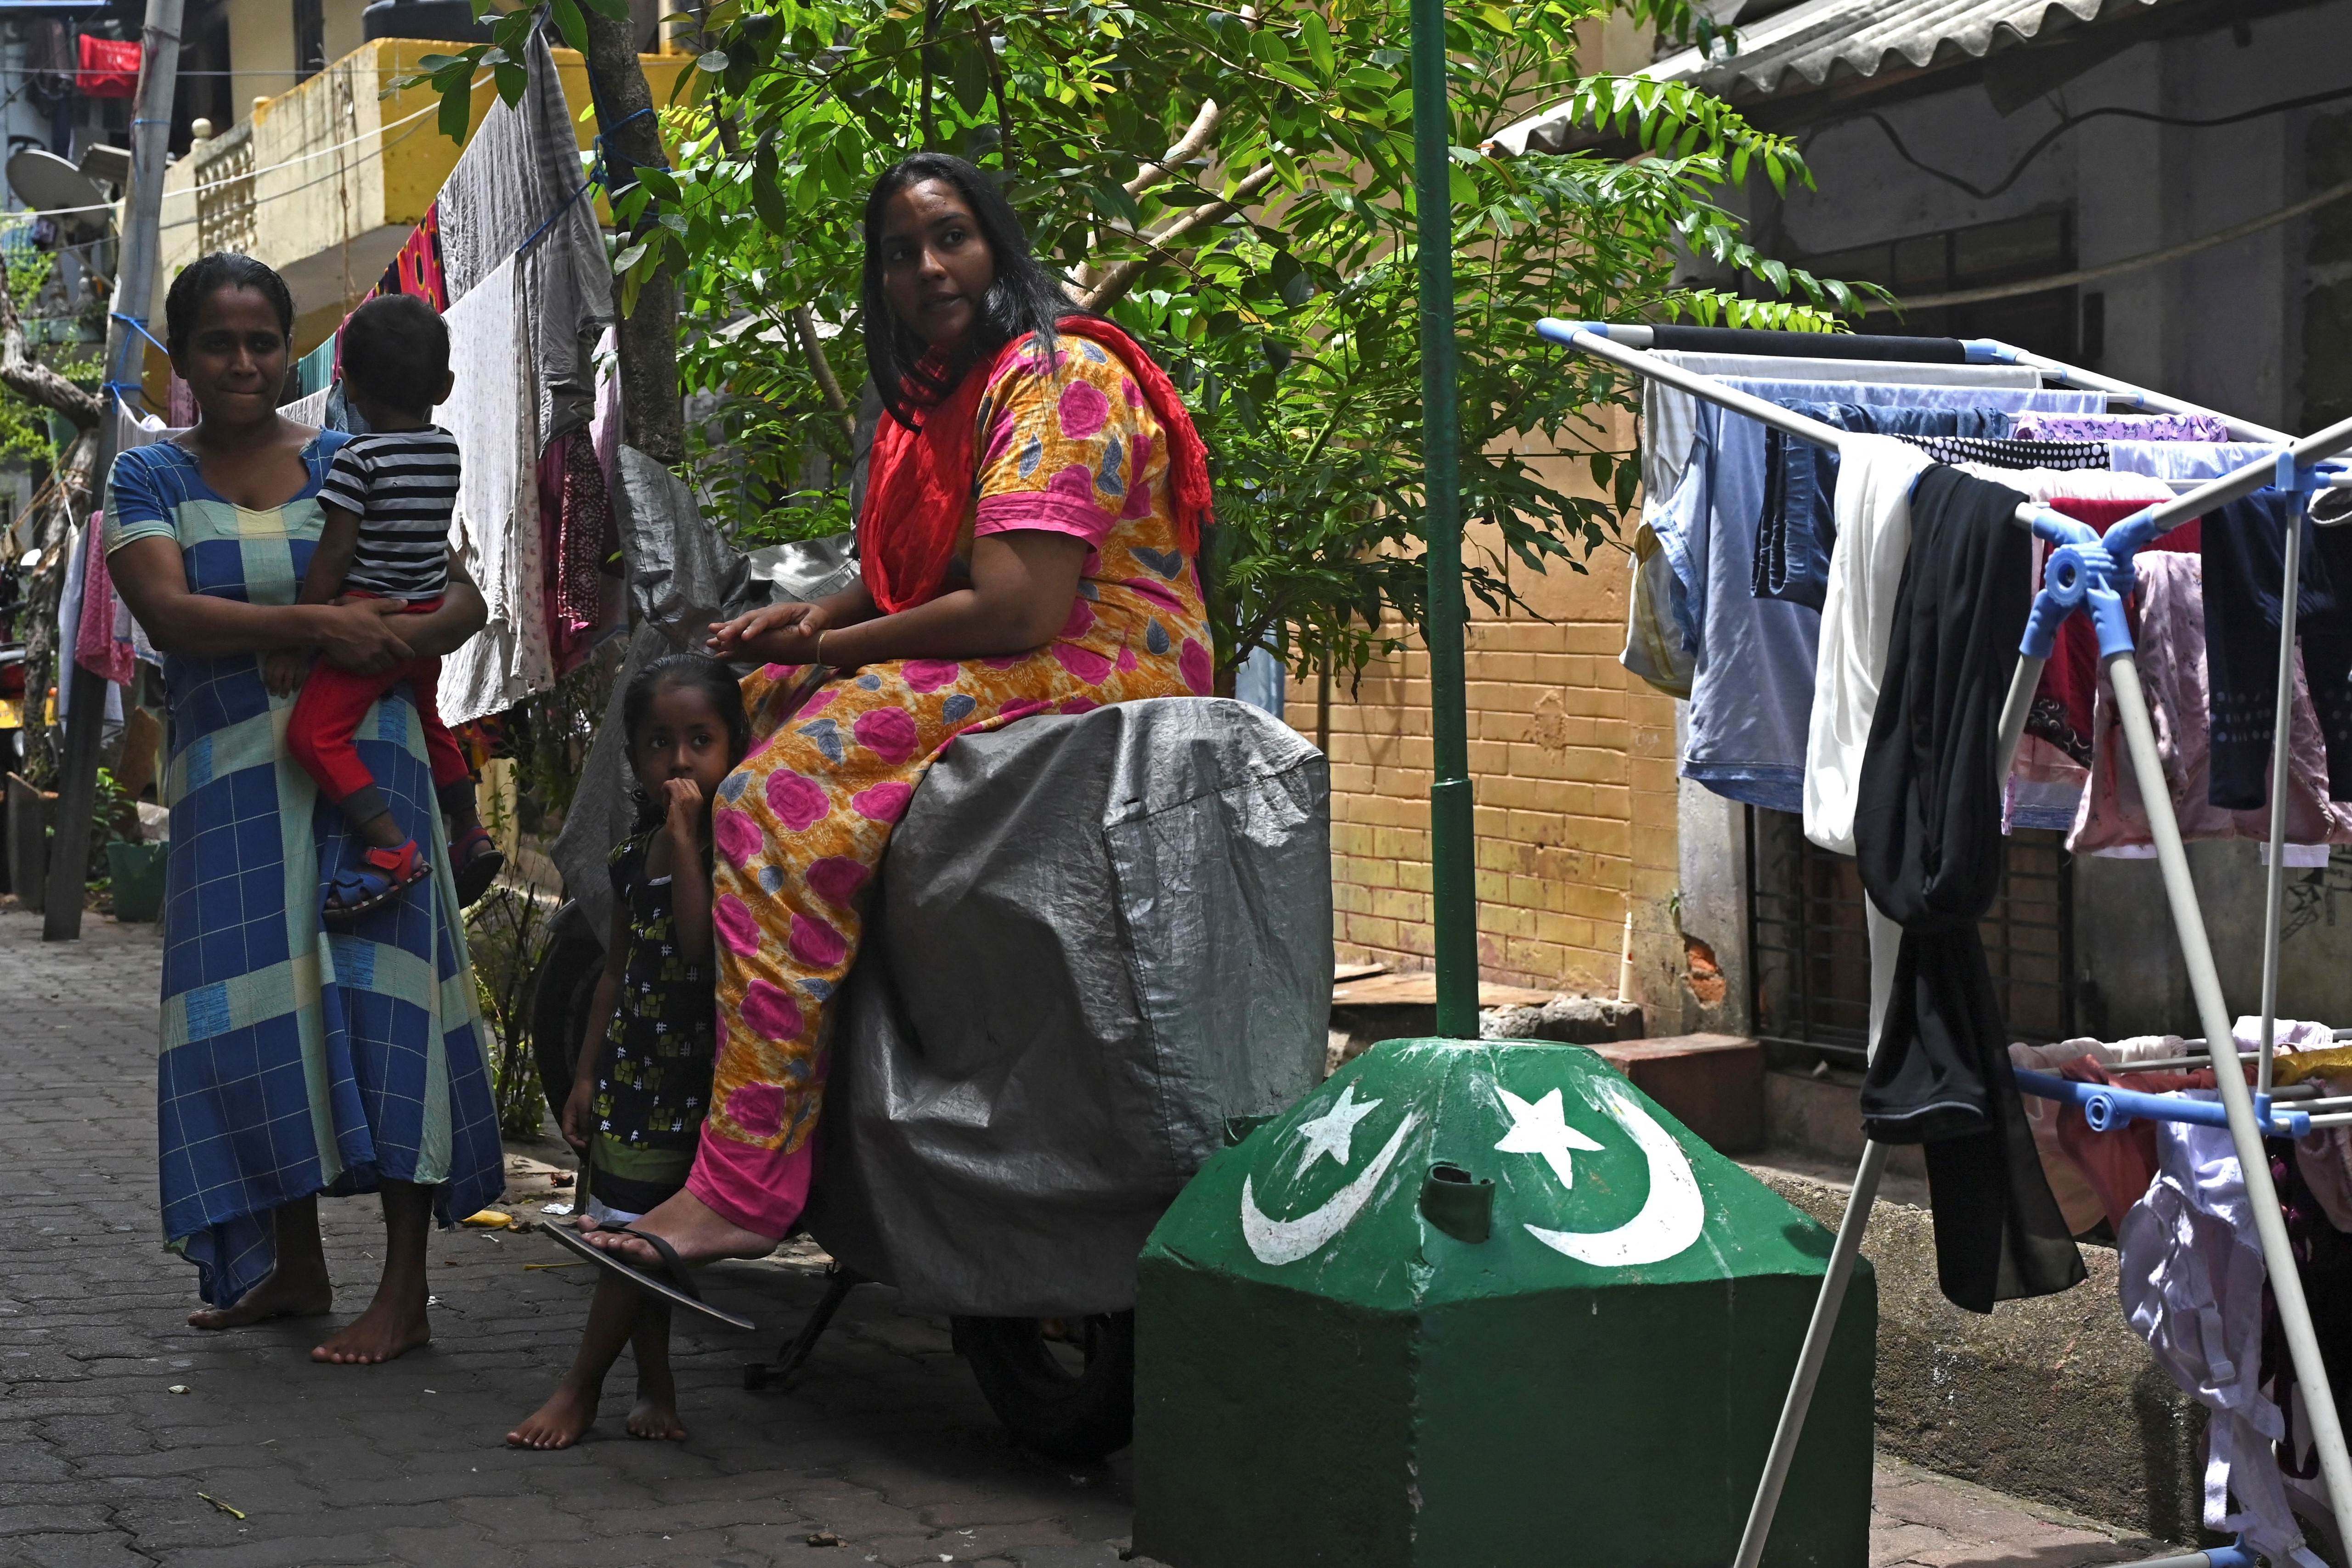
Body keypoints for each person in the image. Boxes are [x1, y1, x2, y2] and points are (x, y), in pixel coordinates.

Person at [580, 152, 1216, 1281]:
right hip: (1028, 634)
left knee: (775, 797)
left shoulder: (1058, 375)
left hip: (1105, 648)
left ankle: (743, 1183)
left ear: (996, 246)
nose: (926, 267)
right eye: (899, 253)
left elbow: (1020, 604)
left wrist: (835, 649)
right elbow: (920, 585)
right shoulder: (937, 399)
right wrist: (816, 618)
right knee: (739, 714)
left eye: (950, 237)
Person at [108, 252, 503, 1365]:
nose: (243, 363)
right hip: (231, 789)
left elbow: (461, 593)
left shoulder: (349, 453)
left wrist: (405, 633)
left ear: (293, 352)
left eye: (262, 342)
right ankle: (295, 1266)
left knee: (386, 1006)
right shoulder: (146, 478)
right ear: (181, 359)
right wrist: (323, 626)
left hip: (370, 774)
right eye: (218, 344)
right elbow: (170, 615)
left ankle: (404, 1292)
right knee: (251, 1019)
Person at [508, 654, 745, 1450]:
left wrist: (685, 840)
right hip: (627, 1076)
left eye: (700, 740)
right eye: (658, 743)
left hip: (686, 1080)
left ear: (734, 744)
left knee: (638, 1241)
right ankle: (655, 1381)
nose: (679, 760)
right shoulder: (636, 846)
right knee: (630, 1229)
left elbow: (697, 946)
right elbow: (617, 969)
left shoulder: (726, 845)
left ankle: (579, 1388)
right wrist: (584, 1075)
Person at [267, 292, 504, 919]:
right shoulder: (446, 450)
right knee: (429, 721)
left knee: (313, 737)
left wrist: (300, 637)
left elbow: (334, 555)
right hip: (428, 616)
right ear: (445, 386)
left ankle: (391, 846)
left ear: (346, 385)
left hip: (369, 622)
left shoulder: (357, 460)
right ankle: (469, 829)